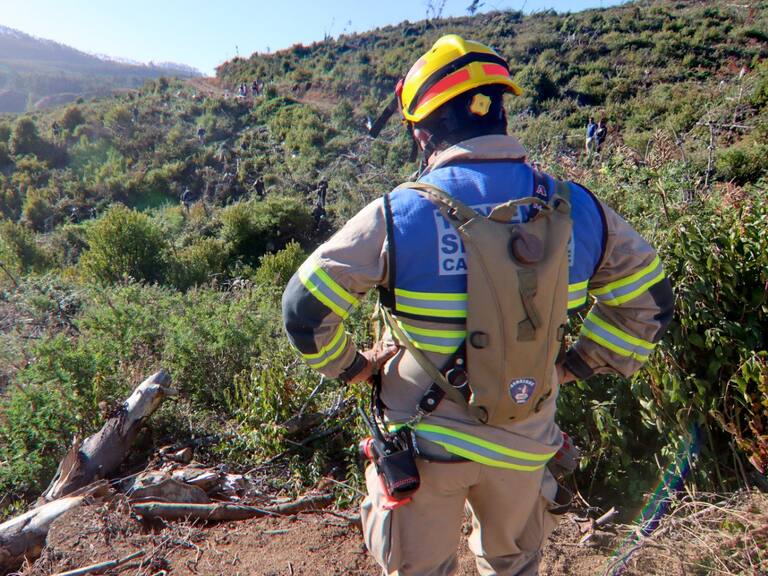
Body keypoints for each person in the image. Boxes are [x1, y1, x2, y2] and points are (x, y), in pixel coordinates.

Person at [282, 34, 673, 576]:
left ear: (422, 131)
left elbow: (304, 310)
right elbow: (649, 304)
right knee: (513, 565)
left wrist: (355, 367)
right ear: (501, 113)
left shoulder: (396, 214)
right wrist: (572, 367)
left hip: (424, 446)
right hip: (525, 438)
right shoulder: (578, 207)